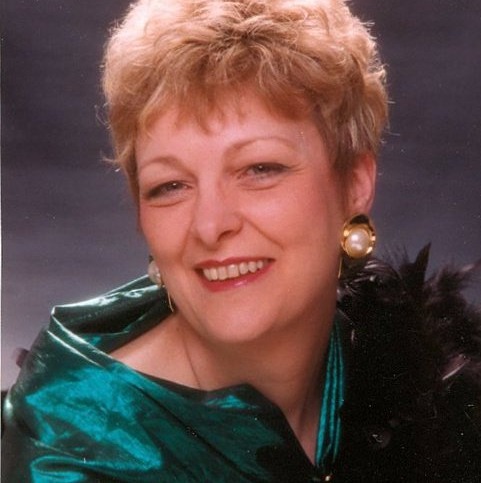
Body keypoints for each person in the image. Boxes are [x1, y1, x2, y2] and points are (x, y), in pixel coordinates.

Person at [2, 0, 480, 481]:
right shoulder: (75, 445)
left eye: (259, 169)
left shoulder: (414, 367)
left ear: (355, 183)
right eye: (171, 186)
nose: (210, 225)